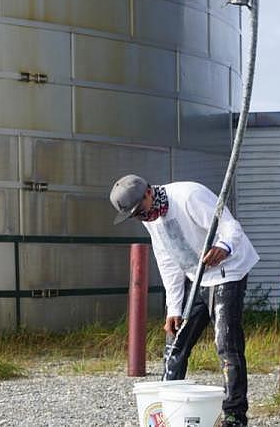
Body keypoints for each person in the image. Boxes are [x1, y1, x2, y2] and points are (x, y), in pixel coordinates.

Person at [109, 174, 259, 427]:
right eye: (135, 216)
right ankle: (167, 408)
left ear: (148, 192)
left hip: (228, 272)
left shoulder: (189, 196)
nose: (142, 218)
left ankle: (234, 416)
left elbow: (231, 227)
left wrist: (224, 247)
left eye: (140, 211)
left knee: (227, 345)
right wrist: (174, 308)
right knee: (175, 345)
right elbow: (168, 261)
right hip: (196, 276)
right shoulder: (151, 217)